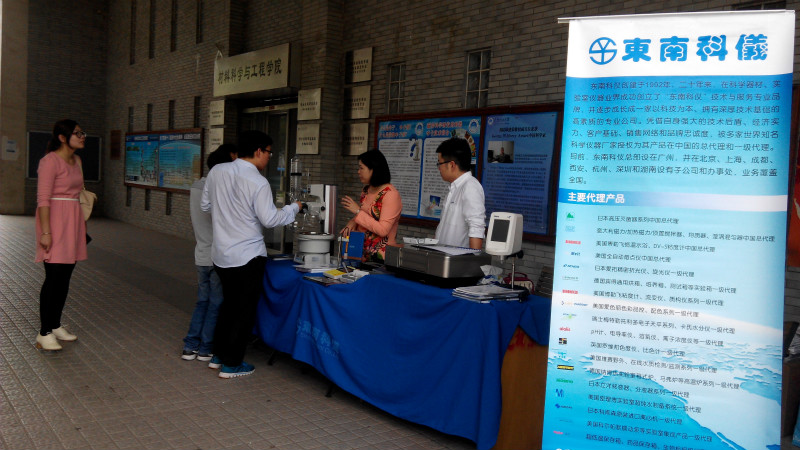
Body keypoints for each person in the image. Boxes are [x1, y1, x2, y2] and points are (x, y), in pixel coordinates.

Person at [201, 131, 303, 379]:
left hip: (221, 254)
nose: (269, 157)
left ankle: (218, 356)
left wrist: (227, 213)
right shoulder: (258, 182)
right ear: (258, 151)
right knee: (243, 311)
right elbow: (270, 219)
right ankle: (232, 365)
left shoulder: (217, 171)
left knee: (228, 306)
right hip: (248, 256)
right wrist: (294, 208)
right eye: (269, 152)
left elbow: (206, 205)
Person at [34, 119, 88, 351]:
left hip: (73, 220)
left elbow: (79, 192)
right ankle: (44, 332)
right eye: (77, 133)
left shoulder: (77, 161)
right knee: (53, 277)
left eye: (82, 133)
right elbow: (43, 200)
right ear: (63, 138)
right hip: (54, 221)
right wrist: (46, 232)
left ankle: (55, 324)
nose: (82, 137)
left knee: (65, 277)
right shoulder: (49, 161)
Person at [180, 144, 237, 361]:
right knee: (216, 303)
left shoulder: (196, 186)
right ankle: (206, 348)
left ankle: (190, 345)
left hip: (201, 253)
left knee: (202, 301)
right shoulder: (218, 189)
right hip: (217, 255)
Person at [340, 149, 402, 263]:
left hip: (380, 259)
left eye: (361, 168)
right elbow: (366, 215)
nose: (358, 172)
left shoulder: (390, 194)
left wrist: (357, 212)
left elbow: (383, 230)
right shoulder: (366, 190)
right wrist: (352, 222)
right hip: (361, 254)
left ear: (373, 169)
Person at [434, 137, 486, 250]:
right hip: (444, 256)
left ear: (451, 165)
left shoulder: (470, 186)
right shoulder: (454, 188)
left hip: (459, 259)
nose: (439, 168)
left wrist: (473, 258)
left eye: (440, 163)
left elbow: (476, 227)